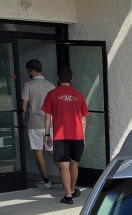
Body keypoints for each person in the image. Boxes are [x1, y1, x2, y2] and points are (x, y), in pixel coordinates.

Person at [41, 66, 89, 205]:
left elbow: (47, 117)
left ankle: (68, 195)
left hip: (60, 136)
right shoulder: (79, 94)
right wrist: (83, 138)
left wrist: (47, 134)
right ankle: (73, 189)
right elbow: (83, 119)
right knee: (74, 164)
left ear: (58, 78)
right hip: (77, 136)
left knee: (64, 165)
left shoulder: (52, 94)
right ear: (71, 79)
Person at [20, 59, 55, 190]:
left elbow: (23, 108)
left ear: (32, 70)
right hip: (49, 124)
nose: (28, 72)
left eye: (28, 70)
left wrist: (20, 123)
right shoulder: (51, 86)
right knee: (52, 152)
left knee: (38, 153)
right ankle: (65, 175)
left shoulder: (28, 85)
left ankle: (46, 181)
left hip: (35, 124)